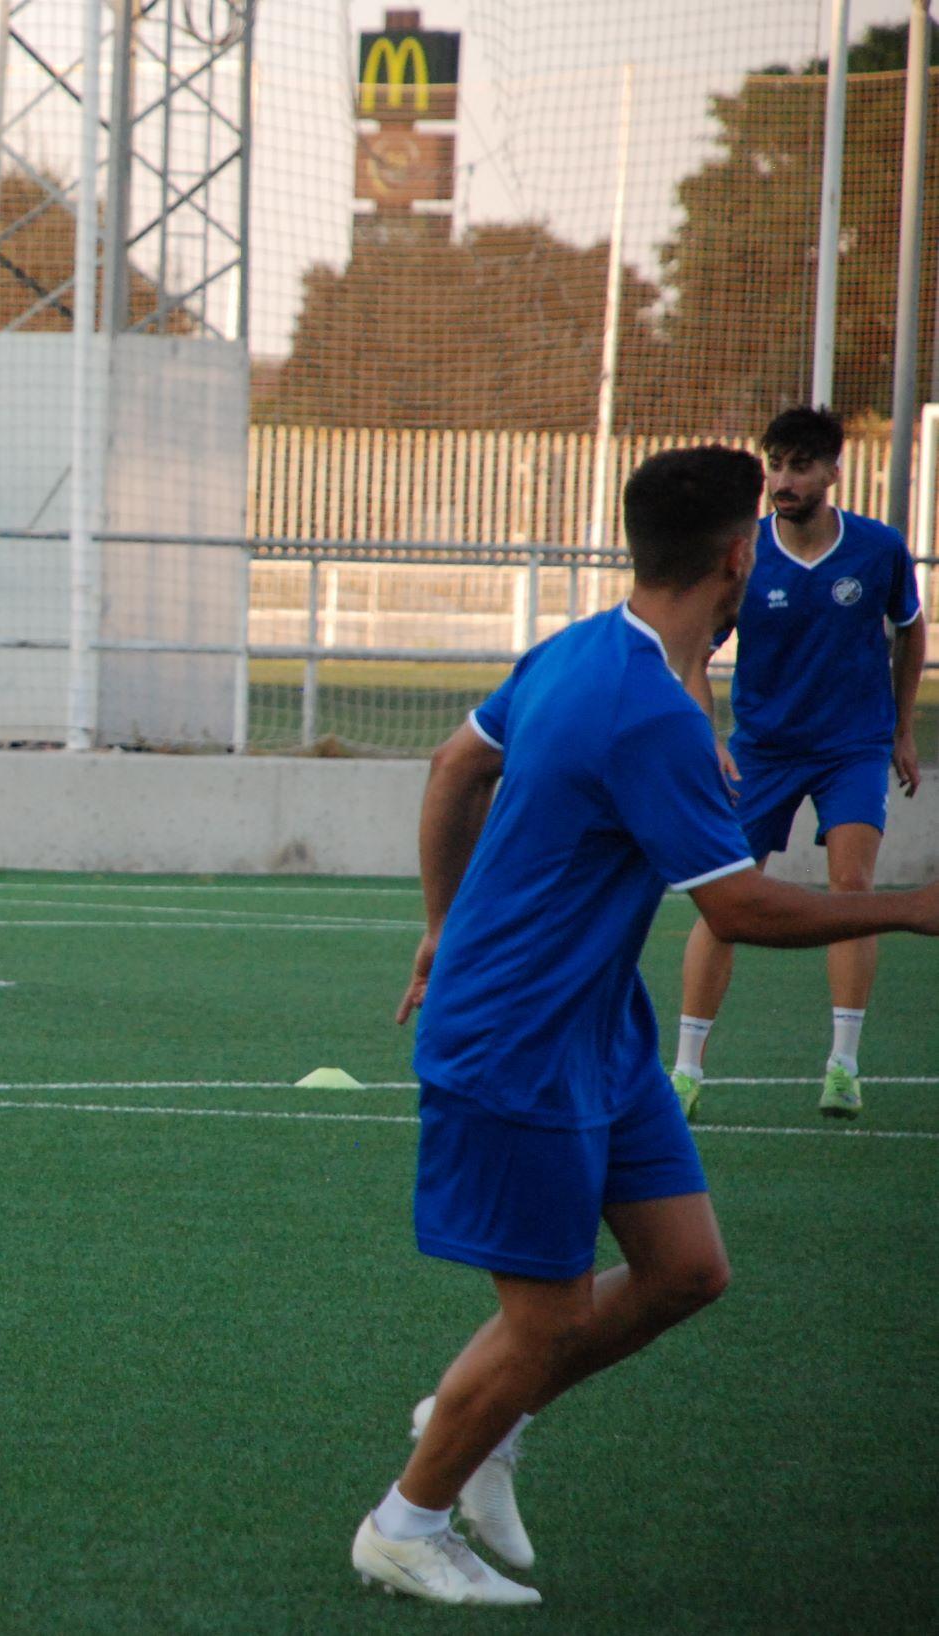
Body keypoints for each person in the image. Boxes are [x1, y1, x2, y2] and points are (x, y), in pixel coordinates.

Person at [353, 446, 939, 1606]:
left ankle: (479, 1413)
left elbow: (451, 765)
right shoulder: (641, 708)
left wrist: (438, 922)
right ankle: (404, 1522)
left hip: (596, 1026)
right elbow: (735, 905)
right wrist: (908, 908)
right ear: (735, 557)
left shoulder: (588, 649)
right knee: (546, 1316)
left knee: (682, 1268)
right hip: (514, 1031)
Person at [671, 407, 925, 1121]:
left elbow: (911, 630)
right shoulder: (742, 551)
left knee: (851, 887)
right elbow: (692, 649)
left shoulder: (877, 549)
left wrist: (901, 729)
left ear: (832, 472)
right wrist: (706, 733)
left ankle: (842, 1066)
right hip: (760, 750)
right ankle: (686, 1071)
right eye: (774, 466)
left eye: (799, 467)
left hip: (853, 746)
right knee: (725, 900)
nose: (783, 480)